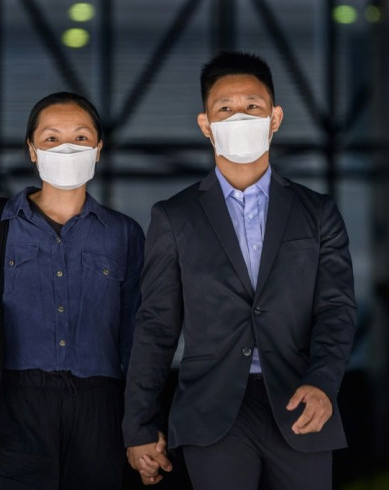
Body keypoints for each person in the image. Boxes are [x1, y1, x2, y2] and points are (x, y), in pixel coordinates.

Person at [123, 51, 357, 489]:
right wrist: (137, 425)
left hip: (301, 401)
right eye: (224, 109)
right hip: (211, 411)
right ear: (205, 125)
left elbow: (337, 309)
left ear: (275, 117)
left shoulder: (317, 212)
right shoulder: (175, 217)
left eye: (253, 106)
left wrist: (323, 382)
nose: (239, 117)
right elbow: (156, 325)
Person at [0, 92, 145, 490]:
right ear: (32, 150)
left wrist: (142, 418)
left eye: (80, 137)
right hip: (18, 402)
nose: (66, 148)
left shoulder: (123, 233)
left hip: (99, 405)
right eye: (52, 138)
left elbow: (136, 335)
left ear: (98, 150)